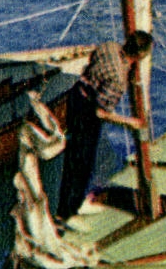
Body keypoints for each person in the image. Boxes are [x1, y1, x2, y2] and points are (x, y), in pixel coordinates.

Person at [57, 31, 153, 219]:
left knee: (74, 157)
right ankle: (68, 212)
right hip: (87, 112)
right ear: (141, 55)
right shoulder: (118, 79)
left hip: (76, 94)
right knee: (82, 164)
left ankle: (69, 205)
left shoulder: (109, 46)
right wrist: (130, 123)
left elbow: (93, 58)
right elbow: (101, 112)